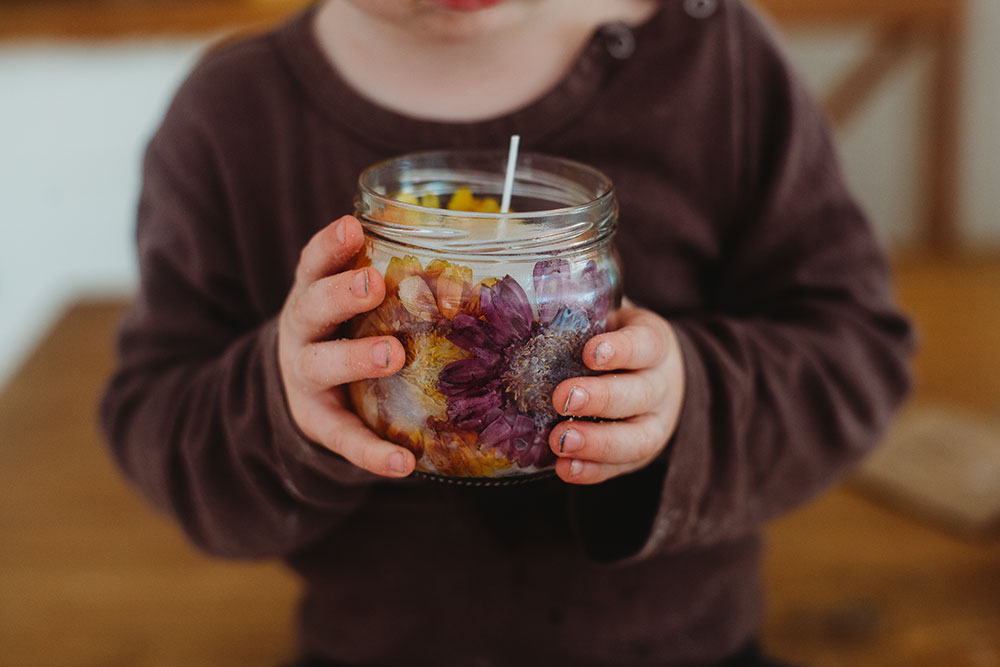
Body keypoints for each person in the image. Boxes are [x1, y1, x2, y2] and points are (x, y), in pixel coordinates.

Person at [99, 0, 914, 664]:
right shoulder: (232, 120)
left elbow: (856, 351)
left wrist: (687, 400)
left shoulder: (720, 68)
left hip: (679, 645)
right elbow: (155, 416)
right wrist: (279, 401)